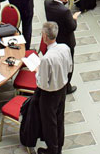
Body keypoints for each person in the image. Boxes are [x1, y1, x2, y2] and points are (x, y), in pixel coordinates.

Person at [35, 22, 72, 154]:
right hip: (62, 90)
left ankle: (52, 150)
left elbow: (42, 84)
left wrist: (37, 72)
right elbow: (69, 68)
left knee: (49, 123)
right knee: (59, 119)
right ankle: (59, 147)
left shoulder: (46, 59)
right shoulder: (65, 48)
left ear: (45, 36)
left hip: (49, 95)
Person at [44, 0, 80, 94]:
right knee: (69, 64)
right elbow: (72, 27)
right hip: (66, 41)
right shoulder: (65, 12)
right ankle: (67, 86)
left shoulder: (47, 4)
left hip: (55, 38)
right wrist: (74, 18)